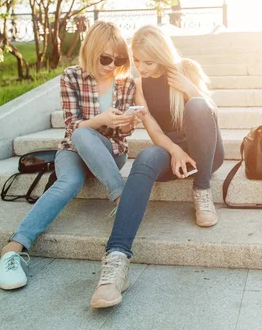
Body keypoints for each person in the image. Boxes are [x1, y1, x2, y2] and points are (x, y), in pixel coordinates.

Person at [0, 21, 145, 291]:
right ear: (91, 50)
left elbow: (125, 134)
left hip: (111, 152)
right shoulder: (71, 77)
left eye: (119, 59)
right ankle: (13, 248)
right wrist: (100, 119)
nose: (112, 65)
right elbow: (71, 125)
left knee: (86, 136)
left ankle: (118, 193)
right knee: (71, 169)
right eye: (106, 58)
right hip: (73, 150)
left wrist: (128, 123)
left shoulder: (126, 83)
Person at [89, 24, 224, 308]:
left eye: (148, 62)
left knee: (198, 106)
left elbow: (210, 118)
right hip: (170, 149)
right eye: (136, 61)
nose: (141, 67)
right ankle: (116, 260)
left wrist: (190, 89)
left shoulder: (185, 68)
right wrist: (174, 150)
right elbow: (154, 132)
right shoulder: (140, 85)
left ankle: (201, 190)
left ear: (162, 56)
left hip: (206, 150)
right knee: (147, 157)